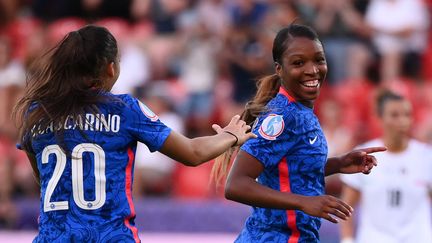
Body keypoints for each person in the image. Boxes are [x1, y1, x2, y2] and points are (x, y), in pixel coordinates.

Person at [12, 25, 256, 243]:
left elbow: (42, 179)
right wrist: (231, 135)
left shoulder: (36, 113)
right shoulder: (124, 110)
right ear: (111, 67)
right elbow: (193, 153)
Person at [211, 24, 386, 243]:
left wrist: (339, 164)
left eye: (319, 60)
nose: (313, 70)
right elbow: (236, 185)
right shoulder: (281, 117)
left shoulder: (301, 110)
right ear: (279, 69)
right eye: (298, 63)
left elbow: (288, 171)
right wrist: (303, 202)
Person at [339, 91, 432, 243]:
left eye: (407, 114)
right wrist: (347, 240)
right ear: (379, 118)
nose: (402, 121)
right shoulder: (362, 155)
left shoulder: (427, 156)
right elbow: (346, 206)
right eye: (395, 115)